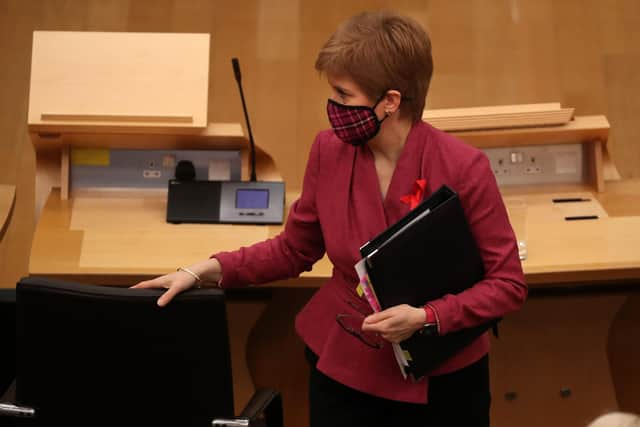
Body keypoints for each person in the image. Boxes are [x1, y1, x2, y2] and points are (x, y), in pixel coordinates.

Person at [134, 10, 527, 427]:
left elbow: (507, 284)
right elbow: (293, 249)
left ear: (390, 102)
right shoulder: (328, 151)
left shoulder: (465, 167)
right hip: (347, 368)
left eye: (343, 95)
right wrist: (204, 271)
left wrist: (426, 317)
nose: (332, 108)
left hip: (444, 383)